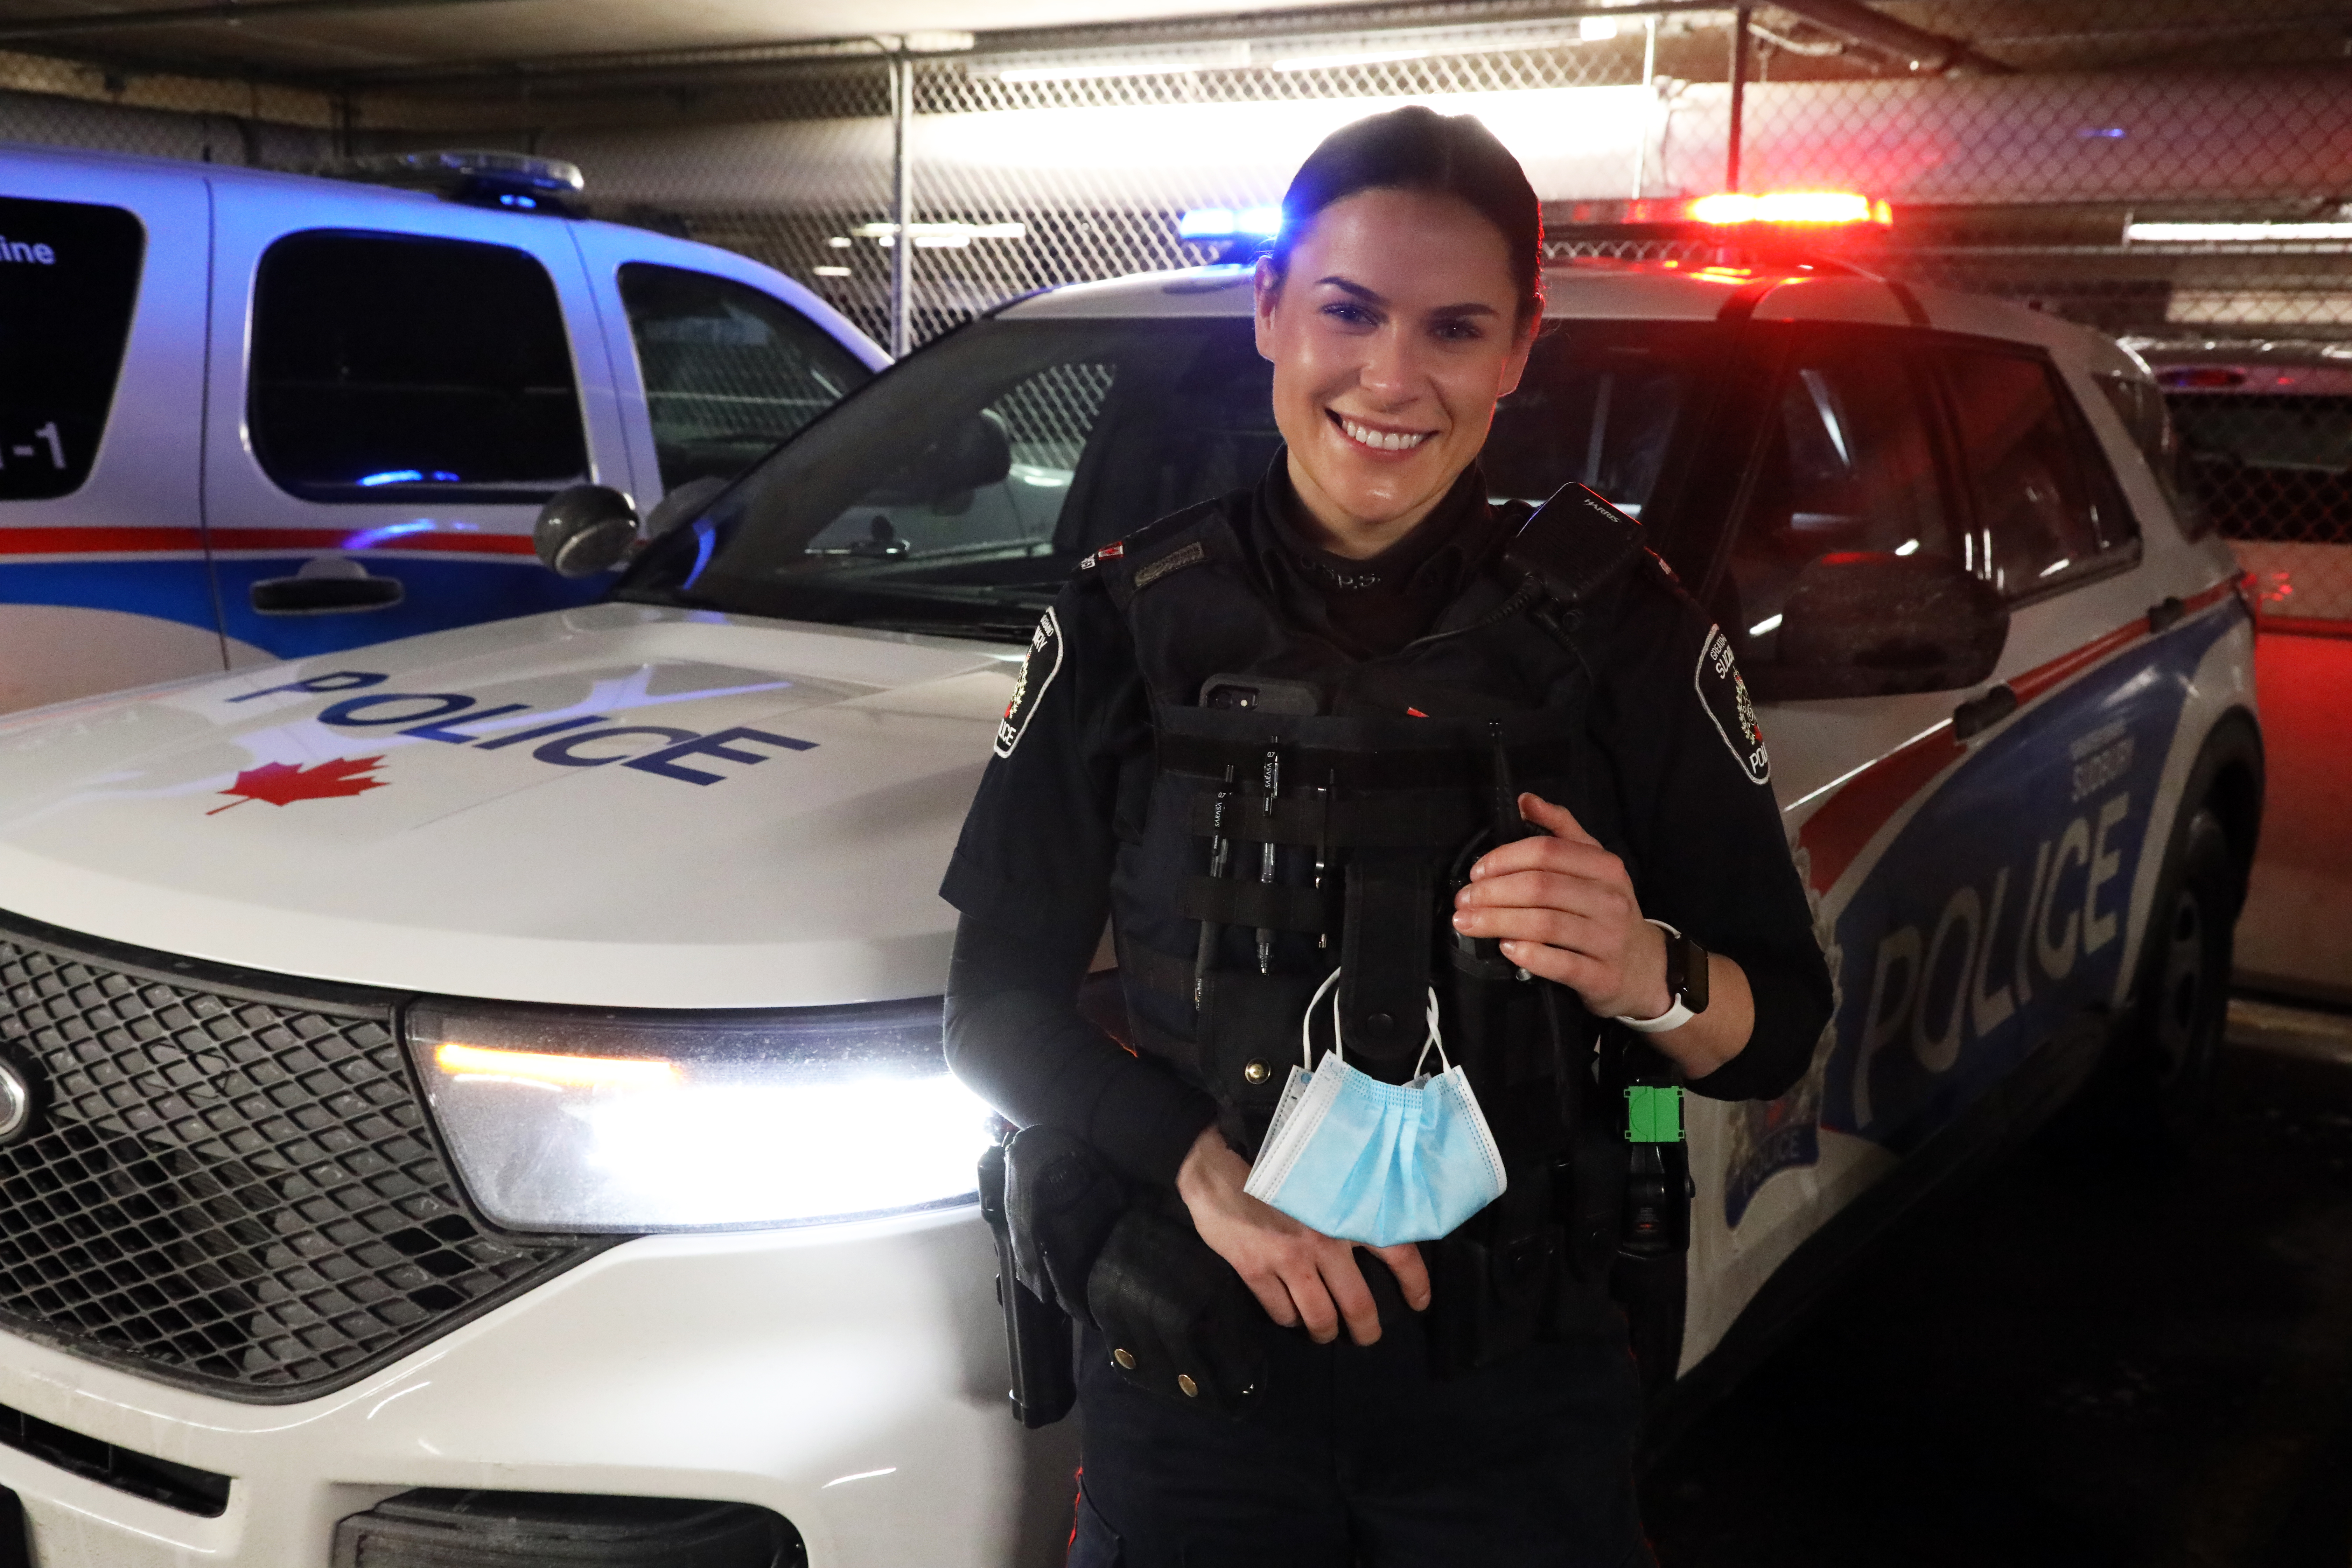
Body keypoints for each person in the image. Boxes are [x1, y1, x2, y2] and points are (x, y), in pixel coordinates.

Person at [942, 105, 1832, 1568]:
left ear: (1520, 347)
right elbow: (989, 1012)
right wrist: (1191, 1164)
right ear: (1272, 309)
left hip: (1517, 1391)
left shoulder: (1625, 631)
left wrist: (1643, 969)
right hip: (1197, 1372)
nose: (1394, 377)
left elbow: (1778, 1029)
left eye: (1456, 329)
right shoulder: (1122, 619)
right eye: (1349, 312)